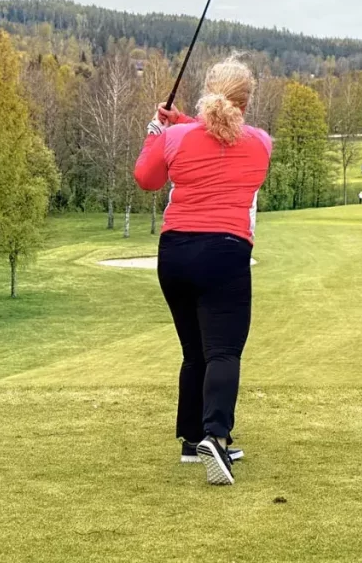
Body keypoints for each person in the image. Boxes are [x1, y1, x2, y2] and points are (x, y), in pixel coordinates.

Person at [133, 56, 272, 486]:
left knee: (195, 352)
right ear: (246, 102)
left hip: (174, 255)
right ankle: (216, 436)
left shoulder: (175, 138)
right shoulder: (261, 143)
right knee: (223, 352)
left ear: (208, 90)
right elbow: (223, 139)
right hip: (224, 253)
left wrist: (157, 133)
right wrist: (182, 125)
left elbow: (147, 178)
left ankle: (194, 441)